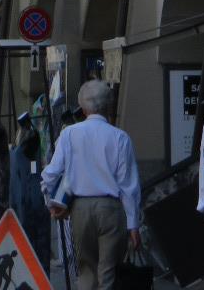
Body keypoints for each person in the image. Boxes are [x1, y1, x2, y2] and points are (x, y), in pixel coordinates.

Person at [42, 81, 141, 290]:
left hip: (80, 209)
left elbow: (51, 173)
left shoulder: (69, 134)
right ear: (108, 106)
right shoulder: (120, 138)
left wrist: (52, 202)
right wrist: (133, 225)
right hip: (111, 209)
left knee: (86, 270)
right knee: (108, 270)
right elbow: (128, 186)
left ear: (83, 107)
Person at [9, 127, 51, 275]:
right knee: (39, 250)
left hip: (25, 206)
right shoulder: (23, 152)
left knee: (31, 251)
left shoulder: (16, 153)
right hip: (33, 205)